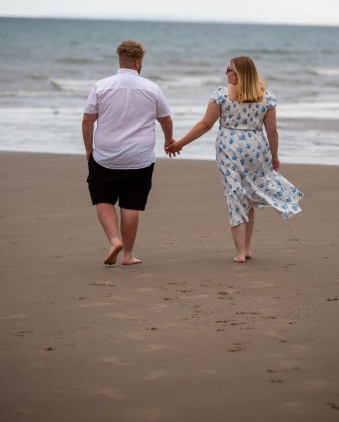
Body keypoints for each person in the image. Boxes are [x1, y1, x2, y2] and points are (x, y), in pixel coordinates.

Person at [166, 56, 303, 263]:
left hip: (229, 146)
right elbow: (272, 131)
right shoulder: (266, 96)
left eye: (229, 69)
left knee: (234, 195)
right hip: (256, 146)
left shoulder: (221, 94)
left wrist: (180, 143)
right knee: (247, 196)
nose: (225, 73)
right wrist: (274, 156)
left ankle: (240, 253)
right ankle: (246, 248)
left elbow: (205, 124)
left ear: (238, 73)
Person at [82, 39, 174, 266]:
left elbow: (87, 120)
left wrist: (88, 149)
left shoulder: (101, 86)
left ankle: (114, 239)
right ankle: (128, 255)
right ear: (138, 63)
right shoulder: (152, 88)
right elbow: (165, 119)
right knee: (131, 205)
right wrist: (169, 140)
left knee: (103, 199)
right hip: (139, 157)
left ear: (120, 60)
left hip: (106, 154)